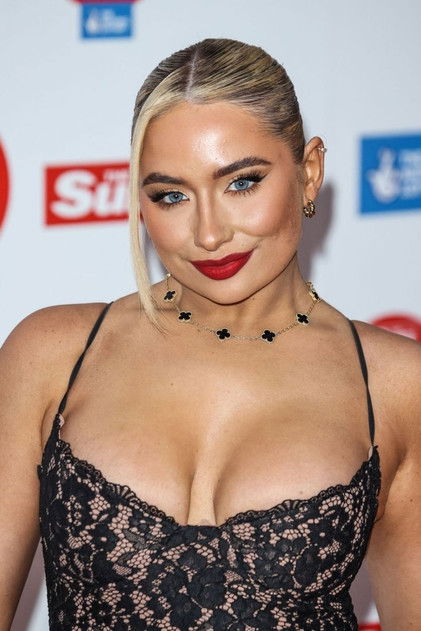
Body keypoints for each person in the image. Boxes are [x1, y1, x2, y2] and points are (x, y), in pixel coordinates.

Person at [0, 37, 420, 631]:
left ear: (309, 172)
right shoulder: (51, 354)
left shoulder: (397, 384)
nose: (208, 233)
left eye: (241, 183)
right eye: (171, 195)